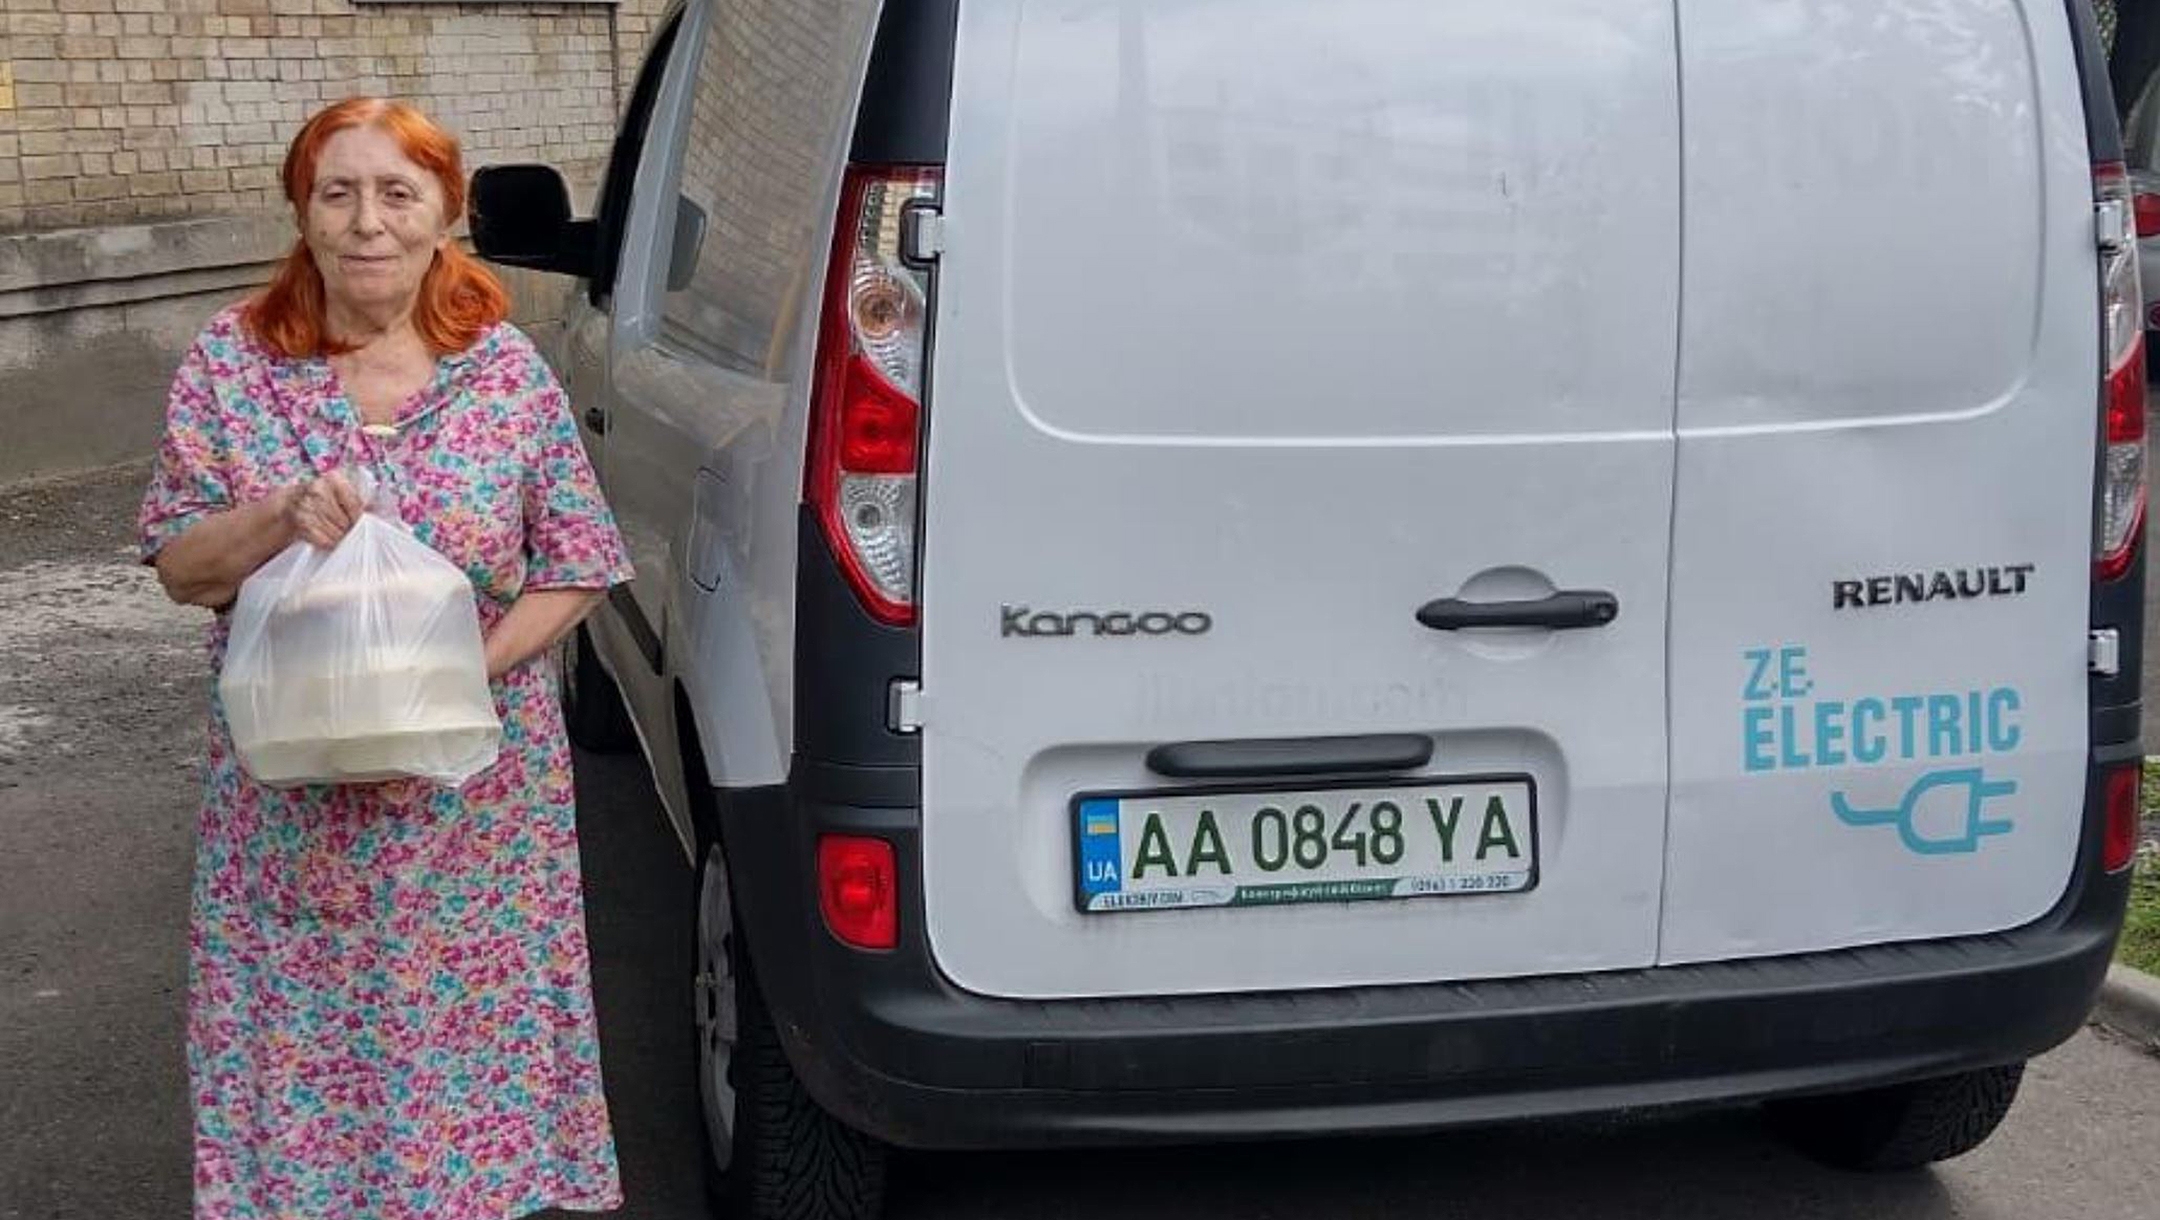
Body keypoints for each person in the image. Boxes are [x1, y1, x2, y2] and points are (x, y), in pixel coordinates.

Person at [138, 97, 631, 1220]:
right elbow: (180, 565)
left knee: (467, 1064)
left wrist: (450, 687)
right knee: (306, 1055)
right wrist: (279, 514)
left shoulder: (500, 369)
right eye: (338, 192)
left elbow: (581, 560)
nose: (368, 223)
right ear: (301, 213)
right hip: (291, 808)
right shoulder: (234, 362)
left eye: (398, 193)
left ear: (447, 214)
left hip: (474, 812)